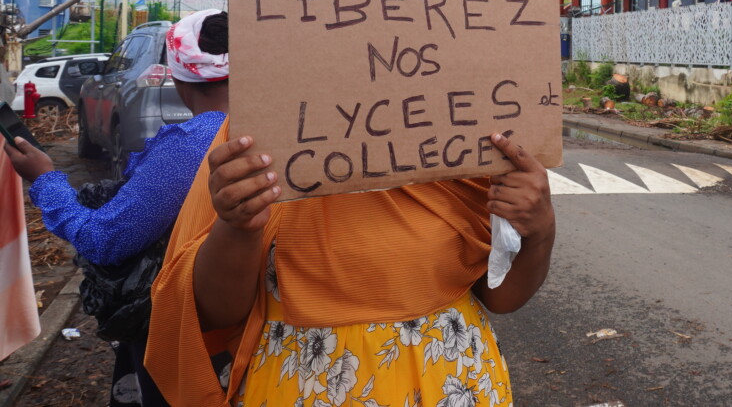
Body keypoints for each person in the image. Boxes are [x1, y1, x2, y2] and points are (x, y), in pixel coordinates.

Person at [145, 120, 556, 405]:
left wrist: (539, 230)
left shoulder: (466, 128)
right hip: (304, 384)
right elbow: (216, 312)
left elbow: (500, 296)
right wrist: (238, 228)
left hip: (453, 380)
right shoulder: (262, 131)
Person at [3, 9, 230, 407]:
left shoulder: (192, 144)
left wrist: (44, 179)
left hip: (195, 339)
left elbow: (104, 240)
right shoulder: (290, 126)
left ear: (177, 76)